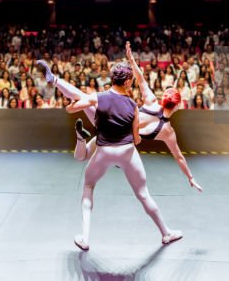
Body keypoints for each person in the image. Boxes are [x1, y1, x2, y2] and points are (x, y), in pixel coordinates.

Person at [57, 58, 182, 251]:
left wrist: (78, 106)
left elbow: (70, 108)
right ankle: (166, 233)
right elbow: (136, 138)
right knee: (143, 194)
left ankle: (85, 237)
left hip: (104, 150)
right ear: (125, 82)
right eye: (131, 80)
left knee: (89, 185)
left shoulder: (98, 97)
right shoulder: (133, 105)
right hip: (127, 151)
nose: (131, 82)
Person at [63, 43, 203, 193]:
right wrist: (190, 177)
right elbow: (179, 157)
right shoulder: (168, 131)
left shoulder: (151, 100)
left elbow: (141, 79)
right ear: (176, 106)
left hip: (110, 126)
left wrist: (131, 59)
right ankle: (65, 95)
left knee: (85, 101)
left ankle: (60, 86)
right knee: (85, 106)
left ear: (164, 99)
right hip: (121, 144)